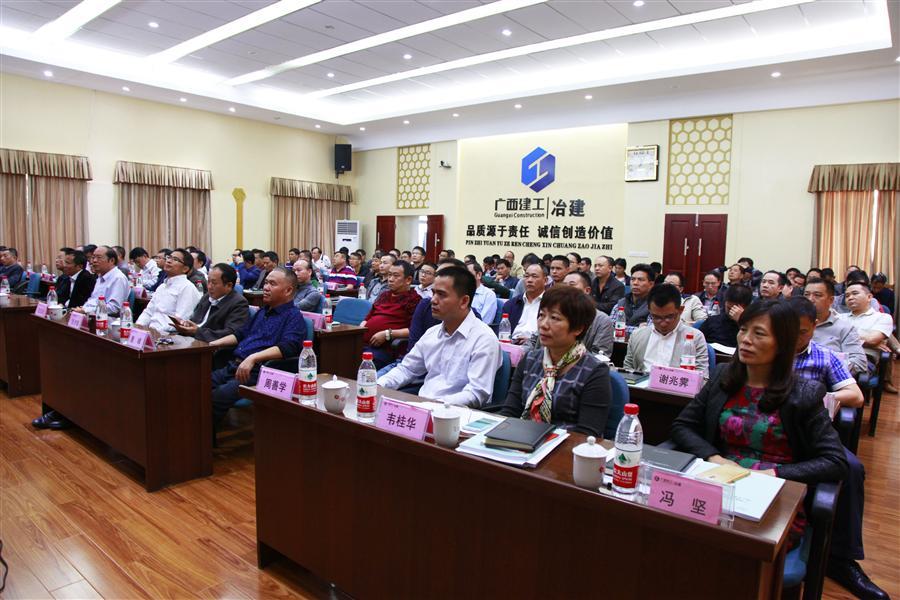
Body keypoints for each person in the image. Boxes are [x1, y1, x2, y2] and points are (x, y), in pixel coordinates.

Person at [670, 299, 848, 550]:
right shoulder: (723, 376)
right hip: (719, 478)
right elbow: (682, 426)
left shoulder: (804, 392)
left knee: (727, 543)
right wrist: (716, 459)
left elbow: (835, 461)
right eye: (743, 329)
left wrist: (771, 475)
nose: (745, 339)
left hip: (773, 493)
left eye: (759, 333)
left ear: (782, 343)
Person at [377, 266, 501, 407]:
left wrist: (434, 406)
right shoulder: (432, 333)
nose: (433, 300)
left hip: (455, 414)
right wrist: (379, 385)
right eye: (433, 293)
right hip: (423, 406)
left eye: (441, 295)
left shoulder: (484, 339)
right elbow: (407, 369)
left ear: (464, 301)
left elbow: (476, 393)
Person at [499, 285, 611, 437]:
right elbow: (510, 412)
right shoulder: (530, 360)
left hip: (567, 446)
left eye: (555, 318)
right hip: (522, 439)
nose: (543, 324)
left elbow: (588, 433)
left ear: (578, 328)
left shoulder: (594, 371)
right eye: (541, 315)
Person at [210, 267, 307, 424]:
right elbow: (240, 334)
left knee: (216, 397)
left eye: (272, 284)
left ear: (288, 290)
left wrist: (253, 358)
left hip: (257, 373)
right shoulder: (263, 311)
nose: (266, 287)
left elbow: (288, 347)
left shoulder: (293, 317)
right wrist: (212, 344)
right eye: (266, 282)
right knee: (198, 385)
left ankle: (202, 437)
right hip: (234, 366)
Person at [790, 297, 864, 409]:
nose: (795, 337)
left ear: (814, 326)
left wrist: (813, 397)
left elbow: (856, 397)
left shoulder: (825, 356)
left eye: (802, 332)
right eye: (790, 330)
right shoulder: (768, 350)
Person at [624, 283, 710, 378]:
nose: (663, 323)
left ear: (681, 310)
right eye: (656, 317)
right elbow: (627, 371)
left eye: (669, 317)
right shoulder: (637, 336)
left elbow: (702, 379)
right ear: (649, 310)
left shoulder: (695, 338)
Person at [360, 261, 421, 369]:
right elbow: (369, 317)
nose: (390, 279)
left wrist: (387, 334)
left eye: (396, 276)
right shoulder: (384, 295)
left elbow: (414, 330)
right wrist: (362, 326)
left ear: (408, 280)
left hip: (386, 348)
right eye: (389, 275)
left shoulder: (414, 300)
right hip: (364, 343)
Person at [804, 278, 868, 375]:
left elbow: (859, 362)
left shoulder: (845, 328)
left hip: (827, 378)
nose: (810, 299)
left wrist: (824, 368)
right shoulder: (793, 324)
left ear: (831, 300)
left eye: (817, 295)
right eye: (806, 295)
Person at [173, 263, 250, 343]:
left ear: (229, 285)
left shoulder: (239, 303)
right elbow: (195, 321)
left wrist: (197, 331)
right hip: (192, 339)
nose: (209, 286)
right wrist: (186, 325)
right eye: (208, 281)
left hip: (211, 345)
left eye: (214, 283)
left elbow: (230, 333)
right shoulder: (207, 297)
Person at [135, 248, 202, 333]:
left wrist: (156, 332)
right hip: (152, 332)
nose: (169, 261)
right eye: (169, 257)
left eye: (175, 259)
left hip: (169, 335)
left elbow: (180, 321)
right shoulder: (162, 287)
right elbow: (148, 312)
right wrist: (138, 327)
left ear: (185, 269)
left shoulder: (187, 288)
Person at [840, 281, 894, 367]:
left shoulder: (882, 317)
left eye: (855, 293)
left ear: (869, 297)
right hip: (838, 356)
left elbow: (871, 340)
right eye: (847, 296)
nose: (850, 298)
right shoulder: (840, 318)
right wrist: (866, 343)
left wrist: (840, 335)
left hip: (864, 359)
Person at [563, 271, 614, 357]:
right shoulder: (555, 315)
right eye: (564, 285)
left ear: (587, 290)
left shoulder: (602, 321)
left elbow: (600, 357)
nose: (566, 289)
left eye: (572, 285)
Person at [503, 263, 547, 346]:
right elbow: (503, 331)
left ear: (545, 280)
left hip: (537, 346)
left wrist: (533, 341)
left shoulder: (551, 304)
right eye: (526, 276)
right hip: (512, 344)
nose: (529, 280)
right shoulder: (511, 304)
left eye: (534, 276)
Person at [79, 246, 129, 316]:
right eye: (93, 257)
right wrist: (83, 308)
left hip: (109, 319)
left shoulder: (118, 278)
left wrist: (87, 310)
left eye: (99, 257)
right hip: (92, 315)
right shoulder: (100, 277)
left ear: (111, 260)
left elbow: (113, 308)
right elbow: (93, 300)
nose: (94, 261)